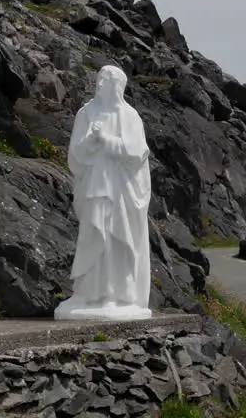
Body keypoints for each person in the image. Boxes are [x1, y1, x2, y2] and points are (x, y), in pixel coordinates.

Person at [55, 65, 154, 321]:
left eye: (107, 81)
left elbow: (138, 152)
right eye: (99, 79)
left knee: (114, 237)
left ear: (118, 86)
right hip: (95, 186)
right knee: (91, 233)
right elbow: (76, 154)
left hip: (120, 189)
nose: (100, 85)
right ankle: (86, 293)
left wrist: (106, 140)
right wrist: (91, 140)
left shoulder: (129, 116)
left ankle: (114, 294)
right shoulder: (86, 113)